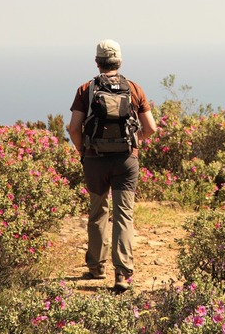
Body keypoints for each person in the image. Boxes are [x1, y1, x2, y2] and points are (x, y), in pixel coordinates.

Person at [68, 39, 157, 292]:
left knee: (98, 212)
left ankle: (96, 267)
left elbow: (74, 128)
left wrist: (83, 151)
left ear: (97, 62)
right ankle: (122, 274)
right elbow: (150, 128)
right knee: (123, 215)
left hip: (95, 159)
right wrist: (135, 142)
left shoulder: (86, 89)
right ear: (119, 61)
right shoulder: (134, 88)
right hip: (126, 160)